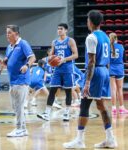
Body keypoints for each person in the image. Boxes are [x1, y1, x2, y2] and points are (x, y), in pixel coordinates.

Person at [63, 10, 117, 149]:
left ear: (91, 22)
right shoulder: (105, 36)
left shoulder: (91, 37)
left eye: (87, 20)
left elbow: (91, 61)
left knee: (84, 104)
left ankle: (79, 140)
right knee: (101, 106)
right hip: (104, 70)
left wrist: (87, 83)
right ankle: (110, 138)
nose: (87, 22)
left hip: (96, 72)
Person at [37, 23, 78, 121]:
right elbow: (51, 56)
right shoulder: (54, 42)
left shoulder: (70, 41)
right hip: (57, 70)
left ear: (66, 30)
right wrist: (48, 59)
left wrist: (64, 59)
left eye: (61, 29)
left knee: (68, 91)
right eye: (58, 29)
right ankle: (46, 114)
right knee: (52, 91)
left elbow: (76, 55)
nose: (59, 30)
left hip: (67, 68)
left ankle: (67, 113)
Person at [4, 25, 36, 137]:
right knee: (15, 106)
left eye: (9, 33)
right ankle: (23, 129)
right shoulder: (9, 47)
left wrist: (27, 65)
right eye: (6, 33)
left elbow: (32, 58)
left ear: (16, 34)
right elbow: (8, 62)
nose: (7, 35)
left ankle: (19, 129)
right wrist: (2, 62)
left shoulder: (23, 43)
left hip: (21, 80)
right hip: (12, 81)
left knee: (19, 106)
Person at [109, 33, 128, 114]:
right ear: (117, 39)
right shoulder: (121, 47)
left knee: (113, 89)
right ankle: (121, 107)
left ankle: (113, 108)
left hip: (110, 69)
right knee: (120, 89)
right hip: (119, 69)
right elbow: (125, 59)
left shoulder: (108, 47)